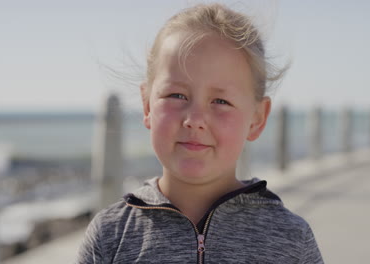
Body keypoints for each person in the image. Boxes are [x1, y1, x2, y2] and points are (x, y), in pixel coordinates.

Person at [77, 3, 324, 263]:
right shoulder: (110, 235)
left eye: (220, 101)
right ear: (148, 105)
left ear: (257, 118)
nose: (195, 120)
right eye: (177, 95)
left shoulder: (291, 238)